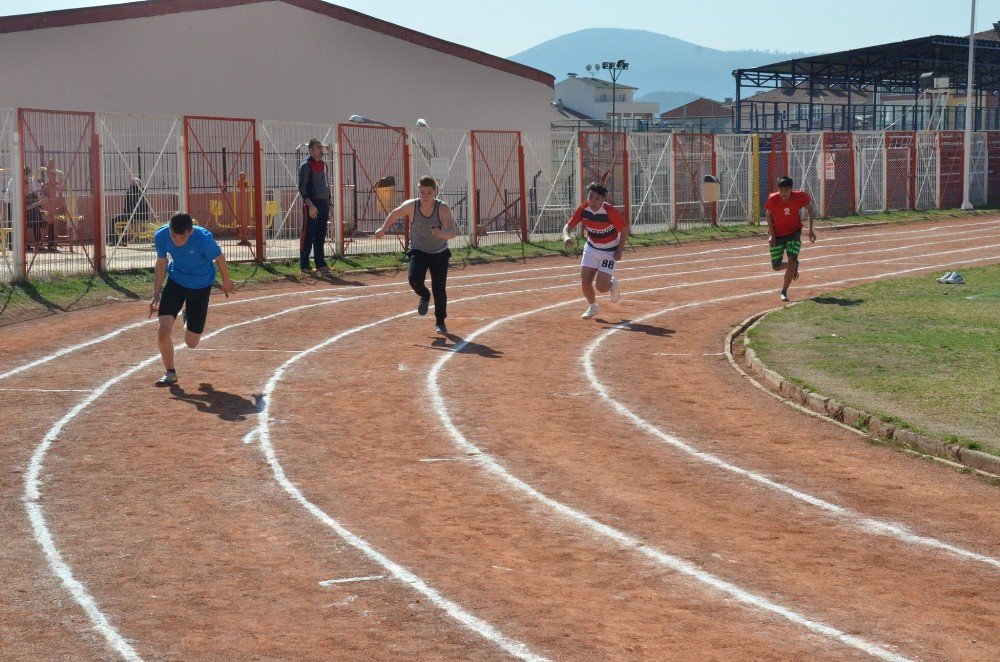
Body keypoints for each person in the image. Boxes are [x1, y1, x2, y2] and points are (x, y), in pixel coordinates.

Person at [149, 212, 236, 386]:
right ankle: (170, 372)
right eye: (173, 235)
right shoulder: (161, 235)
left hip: (201, 286)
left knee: (191, 343)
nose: (176, 241)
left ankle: (187, 314)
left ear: (190, 232)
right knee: (163, 329)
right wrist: (156, 293)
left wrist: (226, 281)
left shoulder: (202, 238)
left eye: (181, 237)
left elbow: (219, 258)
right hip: (176, 282)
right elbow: (161, 263)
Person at [374, 175, 458, 334]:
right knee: (413, 279)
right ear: (418, 191)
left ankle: (440, 322)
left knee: (439, 289)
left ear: (435, 193)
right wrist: (383, 230)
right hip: (419, 250)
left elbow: (453, 232)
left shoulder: (442, 208)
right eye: (422, 192)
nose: (425, 196)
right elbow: (394, 213)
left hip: (439, 252)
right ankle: (425, 296)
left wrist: (441, 234)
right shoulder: (411, 206)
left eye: (429, 193)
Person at [562, 182, 628, 320]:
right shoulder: (583, 209)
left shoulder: (610, 212)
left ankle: (612, 284)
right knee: (585, 281)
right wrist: (566, 237)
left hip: (609, 251)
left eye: (597, 198)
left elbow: (624, 229)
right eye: (590, 197)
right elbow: (567, 227)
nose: (593, 201)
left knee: (601, 287)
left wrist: (619, 249)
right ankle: (592, 307)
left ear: (604, 199)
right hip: (591, 248)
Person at [764, 175, 816, 302]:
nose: (783, 193)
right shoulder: (773, 199)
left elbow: (810, 210)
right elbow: (768, 215)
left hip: (794, 232)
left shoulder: (800, 197)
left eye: (786, 190)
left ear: (791, 189)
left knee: (792, 258)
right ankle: (793, 266)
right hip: (778, 234)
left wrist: (810, 230)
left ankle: (784, 291)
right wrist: (771, 234)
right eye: (781, 190)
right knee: (776, 266)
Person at [297, 138, 331, 274]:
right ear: (311, 150)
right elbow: (302, 188)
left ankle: (320, 262)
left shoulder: (324, 165)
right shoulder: (305, 166)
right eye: (318, 147)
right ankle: (304, 265)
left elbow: (326, 185)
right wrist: (310, 205)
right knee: (308, 234)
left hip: (324, 204)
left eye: (321, 147)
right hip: (312, 205)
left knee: (321, 235)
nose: (321, 150)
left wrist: (330, 203)